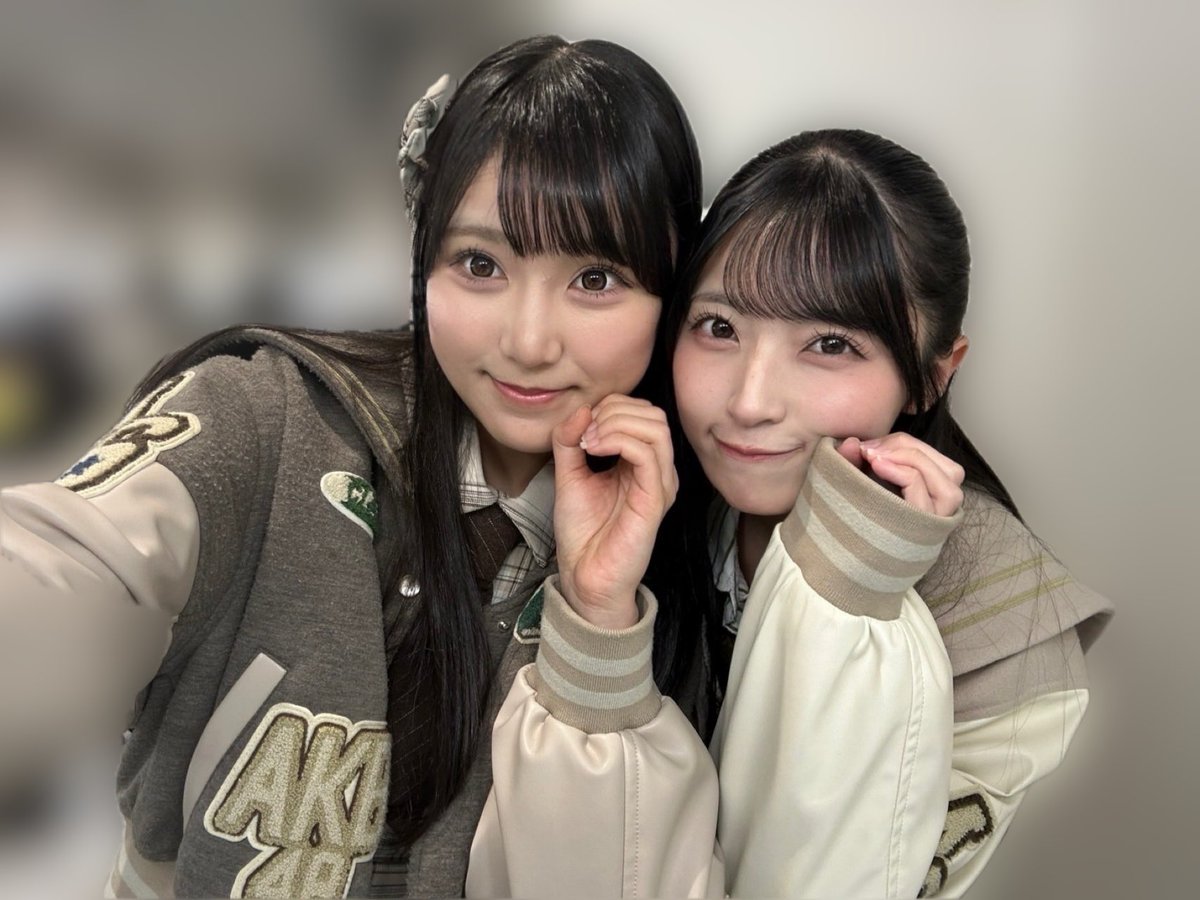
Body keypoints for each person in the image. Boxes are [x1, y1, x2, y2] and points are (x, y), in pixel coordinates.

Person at [0, 34, 714, 898]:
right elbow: (69, 563)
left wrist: (599, 623)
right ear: (424, 260)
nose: (529, 341)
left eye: (594, 279)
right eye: (479, 264)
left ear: (670, 294)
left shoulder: (691, 560)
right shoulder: (267, 419)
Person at [663, 128, 1115, 896]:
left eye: (830, 344)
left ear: (933, 376)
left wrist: (846, 593)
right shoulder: (651, 496)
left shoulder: (1011, 635)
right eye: (720, 328)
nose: (749, 401)